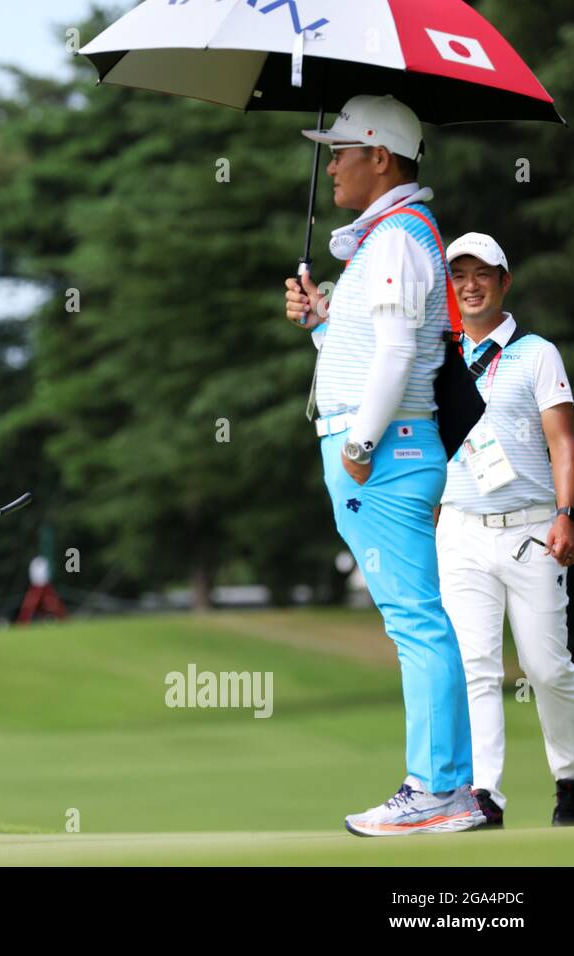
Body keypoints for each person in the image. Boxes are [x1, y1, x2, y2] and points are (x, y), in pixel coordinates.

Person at [284, 95, 484, 836]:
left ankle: (437, 789)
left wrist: (360, 447)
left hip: (388, 452)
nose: (330, 164)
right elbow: (367, 352)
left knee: (415, 621)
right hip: (387, 448)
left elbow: (400, 355)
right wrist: (322, 325)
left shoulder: (397, 237)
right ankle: (448, 788)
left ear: (381, 156)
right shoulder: (384, 240)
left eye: (341, 150)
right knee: (417, 619)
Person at [434, 232, 574, 828]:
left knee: (548, 667)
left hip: (532, 529)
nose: (470, 285)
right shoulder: (435, 357)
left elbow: (562, 441)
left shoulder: (536, 352)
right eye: (459, 274)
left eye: (482, 273)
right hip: (460, 530)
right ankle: (483, 794)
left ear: (503, 281)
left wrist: (567, 513)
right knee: (477, 666)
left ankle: (569, 777)